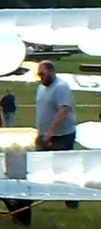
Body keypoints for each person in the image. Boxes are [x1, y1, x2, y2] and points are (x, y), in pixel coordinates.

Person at [35, 61, 79, 211]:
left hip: (62, 136)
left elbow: (63, 111)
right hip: (44, 135)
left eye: (43, 74)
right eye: (39, 74)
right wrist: (40, 132)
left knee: (64, 169)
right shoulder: (40, 88)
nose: (41, 77)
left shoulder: (61, 87)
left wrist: (51, 132)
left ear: (52, 71)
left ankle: (72, 201)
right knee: (38, 167)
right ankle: (37, 196)